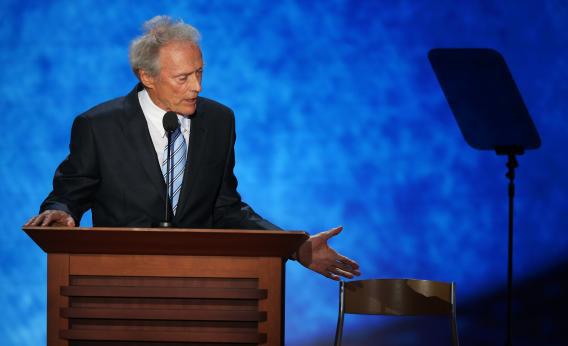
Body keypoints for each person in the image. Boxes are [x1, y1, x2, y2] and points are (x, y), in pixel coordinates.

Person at [25, 16, 360, 281]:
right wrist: (62, 212)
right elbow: (70, 193)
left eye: (199, 73)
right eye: (183, 78)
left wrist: (294, 246)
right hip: (118, 283)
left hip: (198, 285)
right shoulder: (99, 126)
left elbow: (225, 208)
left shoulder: (219, 120)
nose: (197, 87)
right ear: (148, 77)